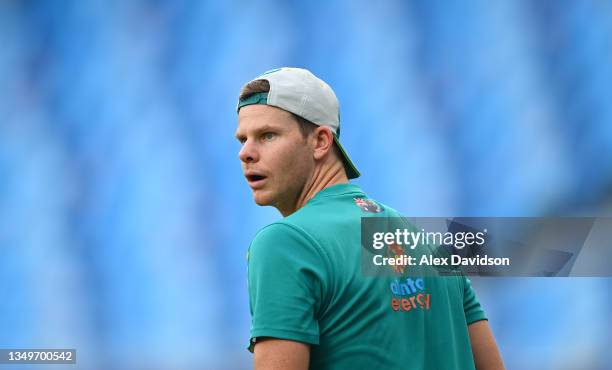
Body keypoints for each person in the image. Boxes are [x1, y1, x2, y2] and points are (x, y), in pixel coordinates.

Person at [235, 67, 504, 370]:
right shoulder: (423, 238)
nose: (245, 153)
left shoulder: (285, 243)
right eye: (242, 139)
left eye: (267, 135)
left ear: (321, 141)